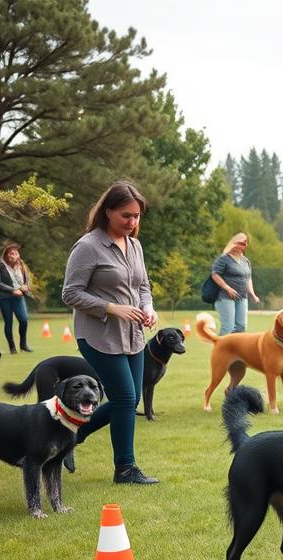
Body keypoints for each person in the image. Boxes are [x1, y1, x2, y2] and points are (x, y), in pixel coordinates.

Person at [61, 181, 160, 485]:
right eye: (126, 216)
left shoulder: (135, 246)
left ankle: (72, 434)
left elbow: (143, 286)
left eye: (137, 216)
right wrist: (111, 308)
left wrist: (149, 307)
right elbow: (70, 293)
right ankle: (125, 469)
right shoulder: (88, 246)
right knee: (125, 397)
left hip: (132, 336)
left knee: (127, 402)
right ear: (108, 212)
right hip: (98, 336)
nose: (133, 223)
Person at [210, 232, 258, 334]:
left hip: (242, 297)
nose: (243, 246)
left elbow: (248, 278)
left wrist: (252, 294)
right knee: (228, 327)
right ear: (233, 243)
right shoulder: (224, 258)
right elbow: (215, 274)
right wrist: (227, 288)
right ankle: (222, 349)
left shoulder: (245, 261)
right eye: (240, 243)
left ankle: (237, 350)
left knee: (241, 327)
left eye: (245, 244)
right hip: (225, 297)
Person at [0, 241, 33, 353]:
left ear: (18, 255)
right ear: (5, 255)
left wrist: (26, 286)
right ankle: (12, 347)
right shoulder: (0, 266)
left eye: (15, 253)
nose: (13, 255)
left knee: (23, 320)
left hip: (19, 297)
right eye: (10, 253)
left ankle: (23, 344)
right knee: (8, 322)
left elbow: (26, 279)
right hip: (4, 297)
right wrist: (12, 290)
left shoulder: (21, 265)